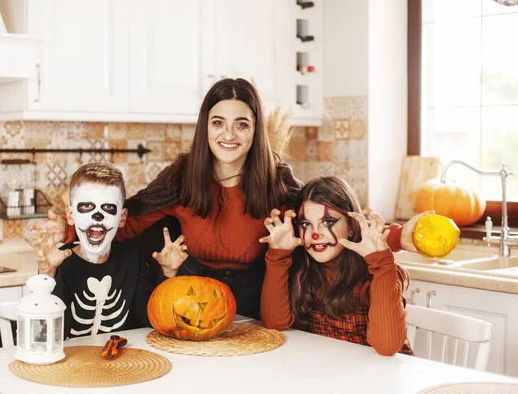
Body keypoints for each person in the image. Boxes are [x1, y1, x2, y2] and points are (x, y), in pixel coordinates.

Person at [31, 78, 422, 320]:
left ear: (255, 131)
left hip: (259, 301)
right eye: (218, 122)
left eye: (242, 123)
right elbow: (128, 221)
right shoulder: (182, 177)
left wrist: (399, 237)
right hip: (189, 295)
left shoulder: (276, 181)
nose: (229, 134)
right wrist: (66, 227)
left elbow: (340, 223)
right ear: (206, 127)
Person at [260, 176, 414, 356]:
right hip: (335, 372)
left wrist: (382, 264)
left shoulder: (379, 271)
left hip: (386, 375)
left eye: (327, 223)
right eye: (306, 224)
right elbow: (274, 323)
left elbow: (387, 347)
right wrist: (278, 255)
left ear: (350, 226)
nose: (315, 234)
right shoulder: (304, 268)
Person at [40, 162, 185, 339]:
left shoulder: (132, 258)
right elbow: (47, 336)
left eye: (108, 208)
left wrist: (168, 273)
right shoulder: (60, 260)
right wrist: (47, 273)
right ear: (70, 215)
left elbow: (151, 319)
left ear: (122, 217)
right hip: (70, 361)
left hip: (124, 360)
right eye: (87, 206)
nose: (97, 216)